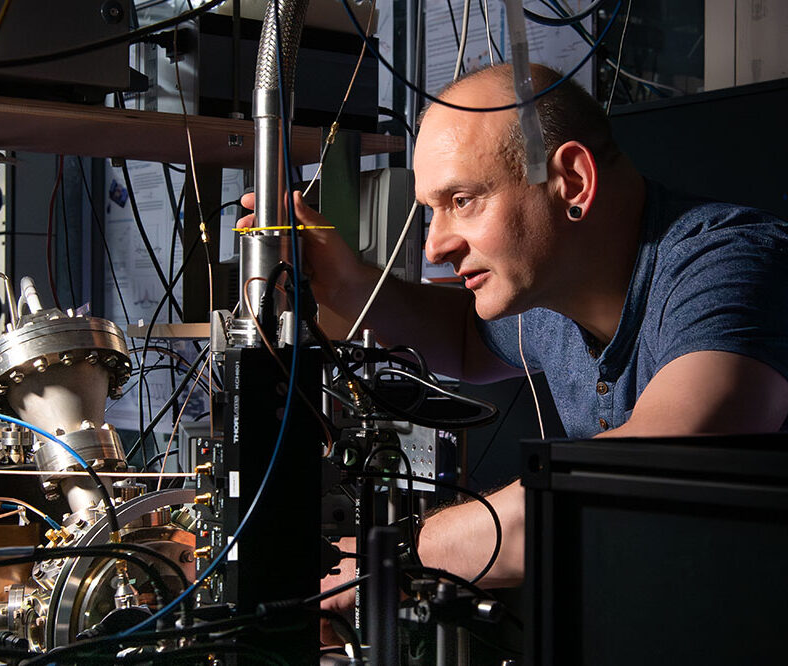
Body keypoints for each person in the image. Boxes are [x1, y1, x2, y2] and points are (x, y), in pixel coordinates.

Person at [239, 63, 788, 632]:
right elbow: (463, 340)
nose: (435, 247)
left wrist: (397, 554)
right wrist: (350, 284)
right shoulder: (553, 293)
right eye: (432, 210)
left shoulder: (734, 267)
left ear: (572, 181)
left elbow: (658, 473)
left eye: (462, 200)